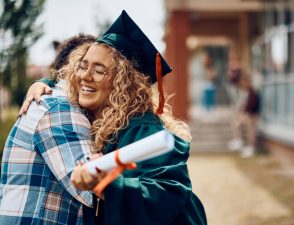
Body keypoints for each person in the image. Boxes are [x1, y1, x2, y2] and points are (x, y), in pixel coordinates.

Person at [20, 10, 207, 225]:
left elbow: (167, 192)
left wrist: (109, 184)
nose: (84, 76)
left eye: (99, 70)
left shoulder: (143, 129)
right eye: (82, 66)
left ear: (124, 83)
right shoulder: (97, 121)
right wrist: (44, 83)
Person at [0, 34, 96, 225]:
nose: (90, 75)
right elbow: (91, 190)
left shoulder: (52, 103)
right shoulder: (61, 110)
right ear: (68, 70)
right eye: (84, 65)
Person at [227, 75, 260, 158]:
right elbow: (242, 106)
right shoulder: (244, 93)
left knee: (249, 126)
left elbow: (252, 106)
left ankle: (251, 147)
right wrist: (240, 113)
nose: (244, 84)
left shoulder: (253, 93)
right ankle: (238, 140)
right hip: (246, 115)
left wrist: (245, 114)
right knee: (235, 121)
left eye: (246, 82)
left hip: (252, 116)